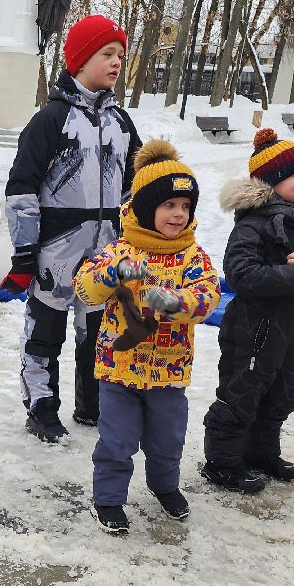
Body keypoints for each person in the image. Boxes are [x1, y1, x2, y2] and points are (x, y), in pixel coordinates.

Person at [1, 14, 142, 443]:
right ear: (80, 60)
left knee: (98, 330)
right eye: (107, 54)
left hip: (106, 250)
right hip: (56, 250)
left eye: (121, 54)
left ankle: (92, 403)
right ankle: (42, 406)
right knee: (45, 329)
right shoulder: (51, 119)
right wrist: (25, 252)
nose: (117, 62)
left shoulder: (121, 122)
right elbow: (21, 188)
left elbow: (139, 186)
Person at [74, 140, 220, 532]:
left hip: (168, 372)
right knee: (116, 440)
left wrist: (173, 302)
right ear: (144, 206)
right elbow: (85, 291)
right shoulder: (119, 250)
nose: (178, 214)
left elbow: (207, 299)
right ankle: (107, 499)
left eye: (185, 206)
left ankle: (164, 486)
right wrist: (112, 274)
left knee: (167, 440)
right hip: (118, 369)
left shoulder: (193, 256)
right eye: (169, 205)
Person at [201, 130, 294, 493]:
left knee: (281, 395)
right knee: (241, 395)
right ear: (273, 182)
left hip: (292, 331)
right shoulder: (252, 224)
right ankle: (223, 462)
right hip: (253, 331)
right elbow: (242, 274)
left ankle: (262, 452)